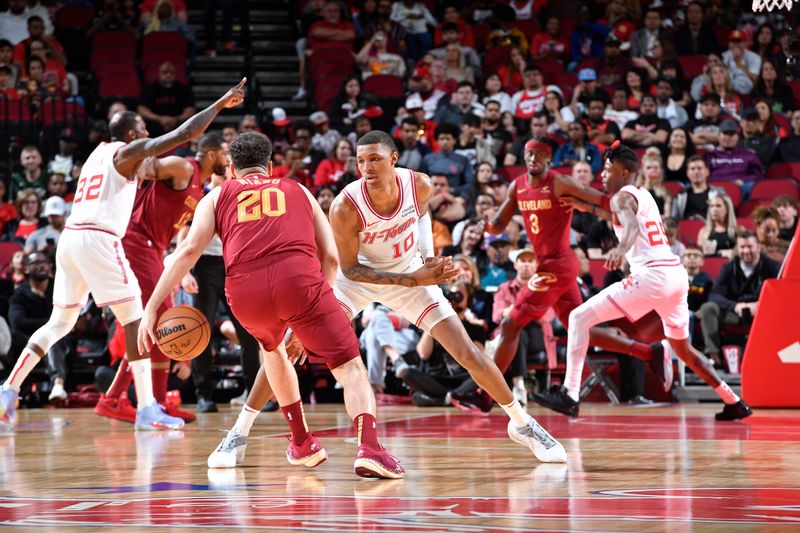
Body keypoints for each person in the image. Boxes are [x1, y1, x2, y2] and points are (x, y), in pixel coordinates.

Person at [139, 131, 406, 478]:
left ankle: (302, 442)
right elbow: (329, 258)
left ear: (232, 168)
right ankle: (369, 448)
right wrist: (314, 306)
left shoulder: (217, 196)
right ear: (269, 166)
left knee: (273, 351)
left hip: (245, 291)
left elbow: (187, 251)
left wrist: (151, 308)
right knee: (349, 367)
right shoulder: (297, 189)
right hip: (298, 280)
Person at [0, 78, 246, 432]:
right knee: (139, 321)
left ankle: (9, 389)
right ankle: (145, 407)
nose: (148, 134)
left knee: (60, 323)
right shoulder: (126, 152)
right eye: (144, 130)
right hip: (102, 239)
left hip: (71, 239)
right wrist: (220, 103)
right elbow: (183, 134)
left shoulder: (96, 156)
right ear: (132, 135)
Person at [536, 141, 752, 421]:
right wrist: (585, 207)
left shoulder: (620, 197)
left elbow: (631, 227)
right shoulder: (642, 194)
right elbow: (622, 218)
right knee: (684, 349)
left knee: (577, 318)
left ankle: (570, 394)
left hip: (651, 276)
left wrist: (620, 249)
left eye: (608, 169)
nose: (602, 174)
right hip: (675, 276)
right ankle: (733, 400)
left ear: (624, 172)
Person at [485, 138, 666, 401]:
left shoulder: (560, 183)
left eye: (539, 155)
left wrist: (626, 209)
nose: (533, 159)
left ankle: (487, 393)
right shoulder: (518, 186)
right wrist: (485, 225)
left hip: (557, 264)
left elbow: (605, 202)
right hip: (550, 264)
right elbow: (498, 225)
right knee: (579, 329)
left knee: (511, 322)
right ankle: (648, 352)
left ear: (549, 158)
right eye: (528, 154)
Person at [93, 132, 230, 424]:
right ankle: (113, 398)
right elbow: (149, 165)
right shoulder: (185, 168)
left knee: (159, 326)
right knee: (159, 322)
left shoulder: (200, 189)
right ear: (209, 155)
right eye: (224, 154)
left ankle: (157, 401)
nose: (228, 160)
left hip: (153, 248)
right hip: (137, 241)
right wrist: (139, 164)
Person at [698, 231, 781, 368]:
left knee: (780, 311)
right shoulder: (729, 267)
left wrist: (761, 305)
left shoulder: (772, 266)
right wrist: (735, 306)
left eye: (750, 246)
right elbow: (714, 295)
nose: (746, 251)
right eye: (742, 247)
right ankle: (714, 357)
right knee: (708, 308)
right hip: (735, 313)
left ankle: (773, 355)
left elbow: (780, 294)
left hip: (761, 313)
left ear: (758, 247)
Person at [137, 61, 197, 137]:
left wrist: (175, 119)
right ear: (159, 74)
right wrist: (160, 119)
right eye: (165, 72)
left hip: (178, 127)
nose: (168, 75)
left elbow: (191, 111)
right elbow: (142, 110)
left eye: (171, 73)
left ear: (176, 74)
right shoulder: (149, 89)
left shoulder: (184, 89)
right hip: (153, 127)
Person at [672, 156, 720, 221]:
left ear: (707, 171)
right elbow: (674, 219)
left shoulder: (718, 193)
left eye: (699, 168)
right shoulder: (680, 195)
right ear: (687, 173)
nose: (696, 172)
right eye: (692, 169)